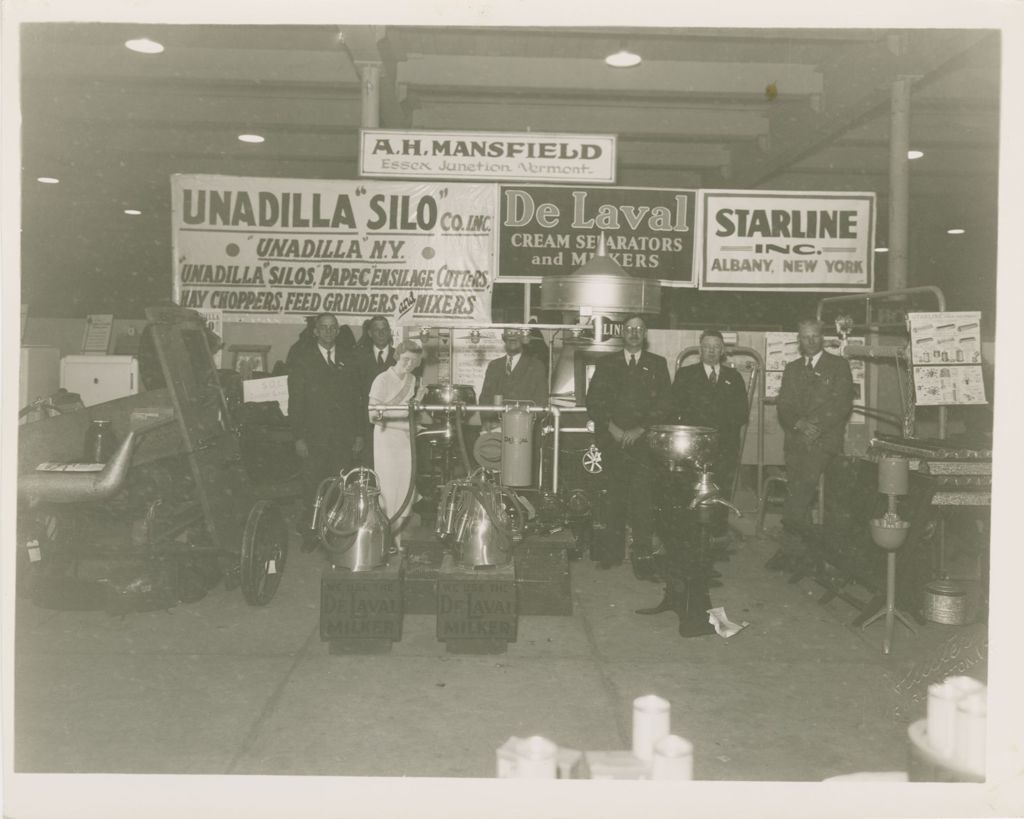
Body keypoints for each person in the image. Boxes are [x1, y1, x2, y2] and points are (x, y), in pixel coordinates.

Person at [585, 315, 672, 569]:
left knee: (642, 500)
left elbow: (665, 404)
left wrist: (640, 429)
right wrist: (611, 427)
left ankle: (642, 555)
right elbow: (594, 401)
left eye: (639, 329)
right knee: (612, 498)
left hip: (643, 444)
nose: (634, 332)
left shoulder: (657, 364)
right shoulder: (606, 363)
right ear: (622, 333)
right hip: (612, 441)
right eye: (630, 328)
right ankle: (611, 554)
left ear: (645, 335)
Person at [767, 318, 854, 572]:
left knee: (800, 491)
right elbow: (784, 405)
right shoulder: (792, 368)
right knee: (797, 490)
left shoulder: (838, 366)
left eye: (815, 336)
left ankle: (792, 549)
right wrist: (800, 424)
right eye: (806, 337)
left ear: (823, 338)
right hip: (797, 437)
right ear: (799, 341)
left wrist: (815, 427)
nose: (811, 341)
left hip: (825, 440)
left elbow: (841, 404)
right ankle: (800, 551)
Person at [287, 313, 365, 552]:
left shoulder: (349, 359)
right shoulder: (302, 360)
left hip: (342, 438)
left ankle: (332, 534)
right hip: (313, 438)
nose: (329, 332)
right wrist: (298, 437)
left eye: (333, 328)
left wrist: (359, 434)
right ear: (315, 332)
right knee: (313, 487)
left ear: (338, 331)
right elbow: (296, 401)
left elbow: (357, 401)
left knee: (338, 487)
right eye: (324, 328)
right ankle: (311, 534)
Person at [670, 330, 749, 497]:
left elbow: (742, 412)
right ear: (700, 350)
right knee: (691, 493)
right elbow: (674, 410)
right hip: (692, 447)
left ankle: (719, 523)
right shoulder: (686, 375)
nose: (711, 351)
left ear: (722, 351)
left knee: (721, 494)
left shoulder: (734, 377)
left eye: (716, 347)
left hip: (724, 448)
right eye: (707, 347)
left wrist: (721, 431)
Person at [368, 341, 425, 543]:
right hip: (386, 439)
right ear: (397, 356)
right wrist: (403, 417)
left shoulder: (412, 380)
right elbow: (373, 416)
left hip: (404, 439)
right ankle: (385, 538)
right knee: (388, 487)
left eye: (414, 361)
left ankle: (399, 538)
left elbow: (411, 413)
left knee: (405, 486)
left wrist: (417, 404)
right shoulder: (382, 380)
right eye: (405, 359)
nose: (409, 364)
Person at [351, 316, 398, 466]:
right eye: (377, 330)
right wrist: (358, 433)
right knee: (370, 468)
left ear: (390, 332)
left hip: (394, 425)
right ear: (370, 333)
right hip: (366, 427)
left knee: (392, 468)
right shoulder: (358, 358)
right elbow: (354, 397)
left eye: (384, 330)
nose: (381, 333)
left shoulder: (401, 358)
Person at [478, 327, 548, 427]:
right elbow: (484, 398)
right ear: (504, 339)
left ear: (523, 339)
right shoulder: (494, 365)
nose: (512, 339)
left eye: (516, 336)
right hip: (495, 428)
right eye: (509, 336)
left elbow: (541, 403)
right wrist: (487, 423)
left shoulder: (536, 366)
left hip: (524, 429)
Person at [285, 315, 354, 371]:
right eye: (323, 327)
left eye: (332, 327)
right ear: (316, 332)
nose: (328, 331)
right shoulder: (302, 358)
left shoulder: (349, 357)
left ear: (338, 331)